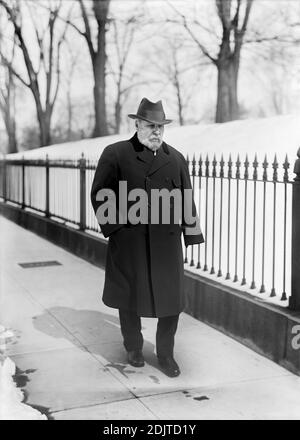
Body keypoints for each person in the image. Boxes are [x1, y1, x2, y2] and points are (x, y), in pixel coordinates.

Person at [90, 98, 204, 377]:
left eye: (160, 127)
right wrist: (117, 229)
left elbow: (186, 198)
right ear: (137, 124)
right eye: (150, 125)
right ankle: (134, 347)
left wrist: (191, 234)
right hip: (130, 242)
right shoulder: (116, 154)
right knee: (129, 298)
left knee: (171, 302)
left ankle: (166, 354)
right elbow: (99, 193)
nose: (156, 131)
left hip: (166, 245)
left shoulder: (176, 158)